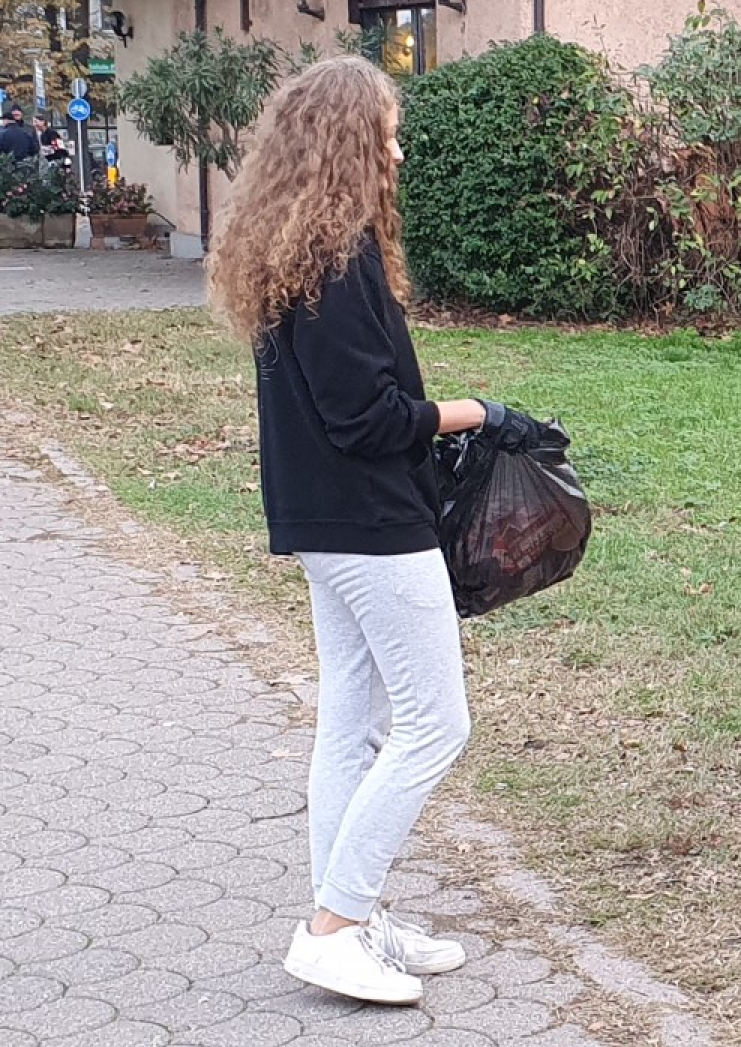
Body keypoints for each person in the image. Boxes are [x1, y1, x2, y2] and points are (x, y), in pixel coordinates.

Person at [207, 55, 542, 1004]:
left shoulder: (292, 250)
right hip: (369, 524)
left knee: (354, 723)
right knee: (436, 724)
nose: (398, 151)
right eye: (388, 135)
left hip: (325, 519)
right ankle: (334, 928)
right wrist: (480, 414)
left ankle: (352, 914)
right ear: (349, 142)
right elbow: (367, 418)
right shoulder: (335, 258)